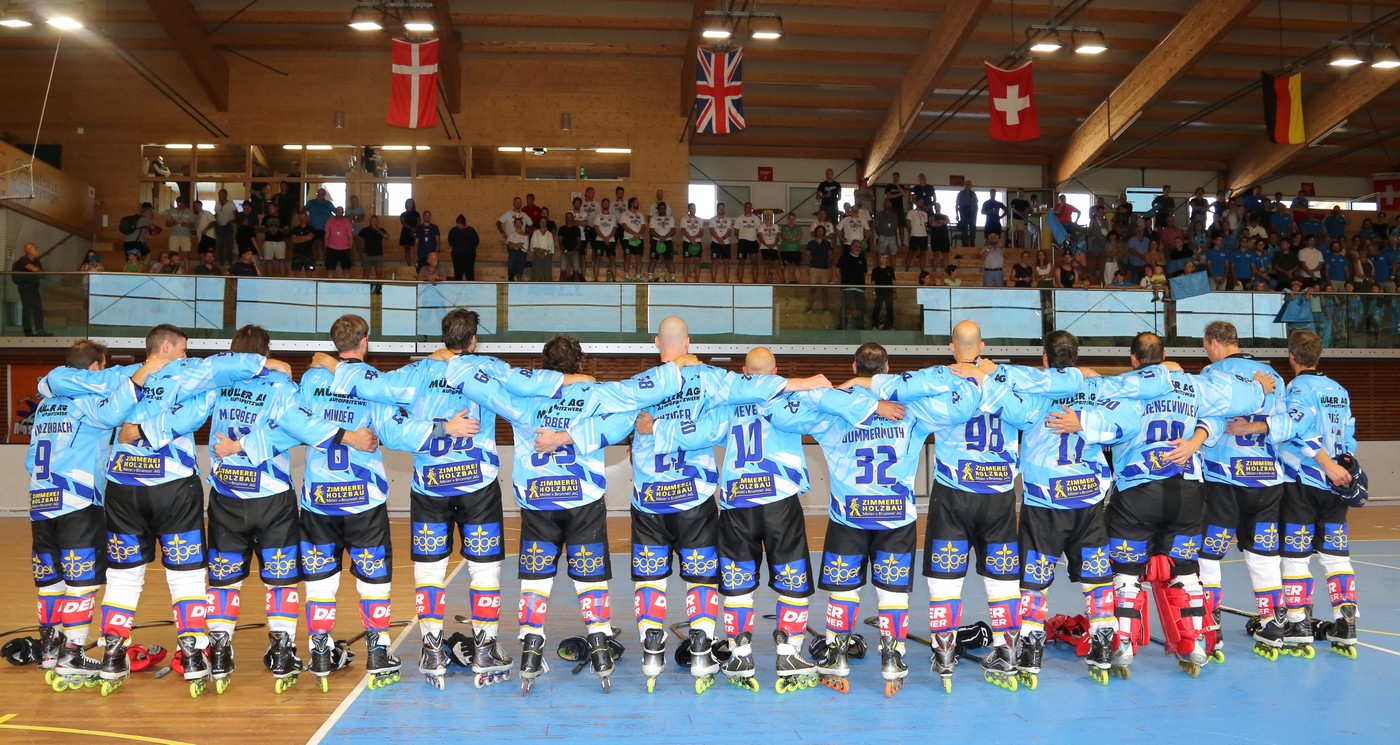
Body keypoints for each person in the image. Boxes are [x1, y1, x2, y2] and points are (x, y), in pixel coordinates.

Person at [538, 318, 831, 693]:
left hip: (656, 502)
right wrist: (807, 384)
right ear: (689, 342)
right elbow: (731, 411)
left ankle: (657, 649)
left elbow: (608, 423)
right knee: (707, 578)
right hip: (705, 500)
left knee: (660, 579)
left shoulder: (643, 385)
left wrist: (562, 437)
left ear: (657, 343)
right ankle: (711, 649)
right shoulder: (712, 380)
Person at [310, 309, 578, 689]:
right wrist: (579, 380)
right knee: (484, 569)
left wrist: (329, 363)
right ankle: (485, 648)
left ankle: (432, 649)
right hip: (478, 486)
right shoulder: (488, 368)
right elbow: (530, 384)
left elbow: (377, 394)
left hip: (429, 488)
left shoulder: (418, 372)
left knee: (430, 571)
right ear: (474, 340)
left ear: (443, 336)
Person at [38, 325, 281, 696]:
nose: (186, 354)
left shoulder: (119, 375)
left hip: (123, 488)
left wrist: (133, 414)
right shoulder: (189, 371)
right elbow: (237, 369)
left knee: (123, 577)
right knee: (186, 576)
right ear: (167, 346)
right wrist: (270, 366)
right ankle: (194, 656)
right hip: (172, 487)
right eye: (182, 348)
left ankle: (113, 655)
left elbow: (53, 381)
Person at [147, 325, 375, 694]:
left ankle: (219, 652)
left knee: (224, 579)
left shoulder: (217, 384)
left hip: (227, 497)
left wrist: (141, 430)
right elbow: (300, 428)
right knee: (280, 579)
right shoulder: (280, 385)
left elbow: (183, 415)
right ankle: (282, 652)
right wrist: (252, 444)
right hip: (272, 499)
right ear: (265, 353)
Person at [223, 315, 440, 693]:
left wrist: (244, 447)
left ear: (334, 342)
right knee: (374, 578)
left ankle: (320, 650)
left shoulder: (311, 380)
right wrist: (441, 431)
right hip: (364, 500)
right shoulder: (371, 382)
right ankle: (378, 651)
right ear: (365, 341)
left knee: (321, 578)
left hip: (319, 502)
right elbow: (395, 433)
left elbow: (290, 424)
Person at [645, 346, 881, 694]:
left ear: (744, 372)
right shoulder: (789, 399)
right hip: (779, 502)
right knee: (792, 580)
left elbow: (696, 433)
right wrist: (872, 404)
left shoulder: (727, 405)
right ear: (775, 371)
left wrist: (656, 426)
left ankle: (740, 654)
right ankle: (789, 653)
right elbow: (831, 407)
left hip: (736, 504)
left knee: (738, 583)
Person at [484, 334, 704, 694]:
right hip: (583, 501)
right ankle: (600, 648)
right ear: (580, 363)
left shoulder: (523, 398)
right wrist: (678, 365)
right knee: (591, 580)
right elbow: (625, 418)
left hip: (538, 503)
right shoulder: (597, 394)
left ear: (544, 365)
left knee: (536, 581)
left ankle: (530, 650)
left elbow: (481, 385)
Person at [1047, 332, 1274, 679]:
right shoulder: (1193, 386)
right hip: (1188, 493)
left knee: (1126, 572)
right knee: (1186, 572)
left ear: (1133, 359)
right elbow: (1228, 407)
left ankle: (1122, 647)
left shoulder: (1129, 385)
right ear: (1165, 355)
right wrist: (1257, 389)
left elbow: (1105, 412)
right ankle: (1195, 644)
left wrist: (1085, 395)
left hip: (1139, 493)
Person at [870, 323, 1083, 691]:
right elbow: (1038, 409)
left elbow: (887, 391)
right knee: (1002, 578)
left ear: (952, 347)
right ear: (982, 346)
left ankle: (944, 654)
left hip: (954, 494)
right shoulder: (1011, 380)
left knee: (945, 577)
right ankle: (1007, 651)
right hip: (999, 497)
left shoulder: (938, 379)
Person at [778, 343, 983, 694]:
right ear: (888, 369)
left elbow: (783, 412)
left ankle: (837, 655)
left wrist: (841, 391)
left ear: (853, 366)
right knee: (892, 593)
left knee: (844, 591)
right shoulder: (911, 408)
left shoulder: (834, 409)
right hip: (896, 519)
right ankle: (893, 657)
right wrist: (972, 376)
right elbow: (961, 406)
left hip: (849, 517)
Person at [980, 331, 1172, 686]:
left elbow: (1001, 403)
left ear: (1044, 358)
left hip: (1046, 502)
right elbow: (1129, 424)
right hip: (1087, 500)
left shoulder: (1037, 394)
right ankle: (1103, 646)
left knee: (1035, 579)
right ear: (1077, 356)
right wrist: (1086, 421)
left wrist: (984, 373)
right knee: (1096, 576)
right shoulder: (1096, 390)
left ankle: (1030, 651)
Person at [26, 342, 163, 690]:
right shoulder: (85, 402)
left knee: (50, 580)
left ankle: (50, 648)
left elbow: (30, 460)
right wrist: (146, 371)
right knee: (82, 581)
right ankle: (73, 653)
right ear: (95, 368)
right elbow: (116, 411)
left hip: (41, 502)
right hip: (78, 501)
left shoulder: (45, 406)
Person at [1228, 330, 1359, 660]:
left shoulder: (1298, 389)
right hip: (1335, 486)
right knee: (1336, 556)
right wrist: (1340, 467)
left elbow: (1297, 428)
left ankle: (1298, 623)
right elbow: (1349, 436)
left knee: (1295, 556)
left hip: (1303, 481)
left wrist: (1253, 427)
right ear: (1319, 354)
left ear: (1291, 356)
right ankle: (1347, 624)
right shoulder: (1339, 390)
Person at [1186, 321, 1292, 661]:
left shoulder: (1213, 373)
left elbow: (1209, 418)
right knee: (1264, 555)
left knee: (1209, 554)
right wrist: (1258, 426)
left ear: (1214, 342)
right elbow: (1287, 424)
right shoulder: (1273, 376)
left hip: (1225, 478)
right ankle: (1273, 623)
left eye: (1206, 345)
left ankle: (1210, 624)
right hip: (1267, 480)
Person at [12, 242, 50, 337]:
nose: (37, 250)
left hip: (34, 288)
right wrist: (37, 269)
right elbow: (34, 270)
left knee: (38, 308)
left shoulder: (36, 261)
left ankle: (40, 330)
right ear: (29, 251)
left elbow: (42, 272)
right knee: (27, 309)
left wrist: (37, 269)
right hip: (25, 288)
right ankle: (28, 331)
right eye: (35, 248)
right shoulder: (23, 260)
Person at [837, 240, 867, 330]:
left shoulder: (862, 258)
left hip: (860, 288)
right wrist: (843, 282)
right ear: (852, 246)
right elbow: (837, 270)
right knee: (845, 308)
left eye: (860, 247)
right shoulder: (845, 257)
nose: (858, 248)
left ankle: (860, 327)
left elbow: (864, 273)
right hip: (847, 287)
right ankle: (842, 327)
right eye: (856, 246)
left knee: (860, 308)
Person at [806, 226, 833, 313]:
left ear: (824, 232)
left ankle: (826, 309)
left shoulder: (827, 243)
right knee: (812, 289)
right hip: (814, 268)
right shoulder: (811, 243)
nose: (820, 232)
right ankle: (809, 308)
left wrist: (827, 263)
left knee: (825, 290)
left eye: (822, 231)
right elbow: (807, 255)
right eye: (819, 231)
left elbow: (830, 255)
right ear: (815, 232)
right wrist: (810, 265)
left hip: (824, 269)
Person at [324, 206, 355, 279]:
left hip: (345, 249)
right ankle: (329, 284)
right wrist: (327, 247)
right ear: (335, 212)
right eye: (338, 212)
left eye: (341, 212)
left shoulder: (347, 222)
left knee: (346, 270)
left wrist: (349, 248)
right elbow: (326, 236)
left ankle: (346, 285)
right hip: (332, 248)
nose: (339, 214)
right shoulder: (330, 221)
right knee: (330, 270)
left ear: (343, 213)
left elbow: (350, 237)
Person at [649, 202, 676, 283]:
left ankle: (673, 278)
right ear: (657, 209)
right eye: (660, 208)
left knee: (669, 260)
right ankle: (650, 277)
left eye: (664, 208)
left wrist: (665, 237)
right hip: (656, 241)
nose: (662, 210)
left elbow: (673, 230)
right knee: (653, 259)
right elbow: (651, 230)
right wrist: (660, 237)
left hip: (667, 241)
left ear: (666, 209)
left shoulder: (671, 218)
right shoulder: (653, 218)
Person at [359, 215, 390, 287]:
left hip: (378, 255)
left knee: (379, 275)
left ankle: (379, 290)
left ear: (378, 222)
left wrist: (377, 230)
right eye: (372, 221)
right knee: (365, 276)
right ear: (370, 222)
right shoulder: (365, 230)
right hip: (367, 256)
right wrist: (361, 252)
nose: (374, 222)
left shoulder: (381, 230)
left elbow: (387, 237)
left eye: (375, 221)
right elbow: (357, 240)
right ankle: (364, 290)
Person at [593, 197, 618, 282]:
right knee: (597, 259)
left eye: (607, 203)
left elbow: (614, 228)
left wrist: (608, 237)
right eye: (604, 203)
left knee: (612, 259)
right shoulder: (598, 216)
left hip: (611, 240)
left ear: (609, 205)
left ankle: (614, 279)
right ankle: (596, 279)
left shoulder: (613, 216)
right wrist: (604, 238)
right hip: (600, 240)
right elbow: (596, 228)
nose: (606, 204)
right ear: (601, 204)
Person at [621, 198, 647, 282]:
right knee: (627, 257)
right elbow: (624, 226)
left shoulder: (640, 215)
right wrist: (634, 233)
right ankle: (626, 276)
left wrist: (638, 234)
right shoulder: (625, 214)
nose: (638, 203)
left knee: (638, 258)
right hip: (628, 238)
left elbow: (643, 227)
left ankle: (638, 277)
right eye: (636, 202)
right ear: (631, 203)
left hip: (639, 239)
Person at [260, 202, 288, 277]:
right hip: (268, 241)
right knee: (268, 260)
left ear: (276, 208)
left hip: (280, 241)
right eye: (269, 209)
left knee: (281, 260)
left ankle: (282, 277)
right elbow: (262, 229)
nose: (270, 210)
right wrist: (268, 229)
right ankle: (269, 276)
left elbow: (287, 230)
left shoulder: (282, 217)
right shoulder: (266, 217)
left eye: (272, 208)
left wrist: (278, 229)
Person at [709, 202, 735, 284]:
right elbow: (712, 231)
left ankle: (727, 281)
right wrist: (718, 239)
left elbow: (729, 232)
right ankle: (713, 281)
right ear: (717, 209)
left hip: (725, 243)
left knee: (726, 262)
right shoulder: (712, 219)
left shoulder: (728, 220)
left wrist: (722, 239)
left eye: (723, 208)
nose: (721, 210)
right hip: (715, 243)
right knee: (714, 262)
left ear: (724, 209)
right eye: (720, 208)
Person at [679, 203, 705, 283]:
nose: (694, 209)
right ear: (689, 209)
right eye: (692, 208)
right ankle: (686, 280)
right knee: (686, 261)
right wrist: (691, 239)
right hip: (687, 242)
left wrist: (694, 238)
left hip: (697, 242)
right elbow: (683, 230)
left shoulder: (700, 220)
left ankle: (697, 280)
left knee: (697, 261)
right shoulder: (684, 219)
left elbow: (701, 232)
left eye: (695, 208)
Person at [736, 202, 762, 284]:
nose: (748, 209)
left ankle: (755, 281)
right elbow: (736, 231)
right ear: (744, 208)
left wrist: (754, 237)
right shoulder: (739, 218)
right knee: (741, 262)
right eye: (746, 207)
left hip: (753, 242)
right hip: (742, 242)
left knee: (754, 263)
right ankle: (740, 281)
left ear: (751, 208)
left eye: (749, 207)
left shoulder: (756, 219)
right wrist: (741, 238)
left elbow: (759, 231)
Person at [870, 253, 896, 330]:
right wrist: (874, 292)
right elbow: (873, 282)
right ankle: (874, 325)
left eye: (886, 258)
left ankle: (891, 326)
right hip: (879, 292)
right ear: (880, 260)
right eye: (883, 258)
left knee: (890, 309)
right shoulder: (875, 270)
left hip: (889, 292)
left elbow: (893, 281)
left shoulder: (890, 269)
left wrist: (895, 292)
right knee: (877, 308)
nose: (885, 260)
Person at [527, 217, 555, 282]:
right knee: (536, 272)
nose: (543, 223)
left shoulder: (549, 234)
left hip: (546, 254)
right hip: (537, 253)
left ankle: (547, 286)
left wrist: (544, 254)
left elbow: (550, 246)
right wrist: (538, 253)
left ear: (546, 223)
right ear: (539, 223)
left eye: (544, 222)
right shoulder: (535, 233)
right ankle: (535, 286)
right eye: (541, 222)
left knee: (547, 273)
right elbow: (534, 244)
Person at [558, 212, 584, 282]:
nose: (569, 218)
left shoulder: (577, 229)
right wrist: (565, 251)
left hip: (574, 252)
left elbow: (579, 241)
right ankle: (560, 288)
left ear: (573, 218)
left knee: (576, 272)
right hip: (564, 252)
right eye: (567, 217)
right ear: (565, 218)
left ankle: (577, 288)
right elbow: (560, 242)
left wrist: (573, 251)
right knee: (563, 272)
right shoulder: (561, 229)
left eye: (570, 217)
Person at [289, 211, 316, 277]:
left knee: (309, 274)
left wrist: (298, 237)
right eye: (301, 217)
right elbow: (294, 240)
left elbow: (310, 238)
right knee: (296, 274)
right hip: (297, 253)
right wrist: (305, 238)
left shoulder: (311, 228)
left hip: (308, 254)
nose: (302, 219)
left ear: (307, 218)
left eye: (304, 217)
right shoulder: (295, 229)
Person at [780, 212, 804, 284]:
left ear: (795, 219)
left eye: (793, 219)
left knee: (796, 266)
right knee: (786, 266)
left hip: (796, 250)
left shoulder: (798, 227)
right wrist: (791, 238)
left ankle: (798, 282)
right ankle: (786, 282)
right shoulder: (783, 227)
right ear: (787, 219)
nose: (791, 220)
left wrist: (794, 239)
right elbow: (783, 236)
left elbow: (799, 236)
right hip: (785, 250)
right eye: (790, 219)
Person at [758, 211, 781, 284]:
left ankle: (783, 281)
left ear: (772, 218)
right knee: (767, 263)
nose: (768, 218)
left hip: (773, 247)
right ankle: (768, 281)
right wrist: (766, 245)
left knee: (777, 263)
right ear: (764, 218)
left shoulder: (776, 226)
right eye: (766, 217)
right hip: (764, 248)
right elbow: (760, 237)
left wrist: (774, 244)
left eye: (769, 217)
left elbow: (777, 237)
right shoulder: (761, 226)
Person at [399, 198, 421, 267]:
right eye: (408, 202)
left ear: (413, 204)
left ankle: (417, 263)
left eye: (411, 203)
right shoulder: (403, 214)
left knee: (417, 247)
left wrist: (415, 229)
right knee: (407, 248)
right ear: (406, 204)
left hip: (415, 231)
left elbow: (418, 222)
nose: (409, 204)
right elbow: (403, 223)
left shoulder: (416, 213)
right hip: (406, 232)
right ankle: (409, 264)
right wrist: (411, 228)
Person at [506, 217, 528, 282]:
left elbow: (525, 247)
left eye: (519, 223)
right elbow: (509, 245)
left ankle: (520, 287)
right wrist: (519, 244)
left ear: (522, 224)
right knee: (511, 273)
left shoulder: (525, 235)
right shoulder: (511, 234)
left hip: (521, 255)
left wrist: (513, 244)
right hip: (513, 254)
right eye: (516, 223)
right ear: (514, 224)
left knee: (519, 273)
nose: (518, 224)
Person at [956, 182, 978, 247]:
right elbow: (957, 205)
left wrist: (976, 214)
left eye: (969, 184)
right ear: (964, 185)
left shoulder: (973, 194)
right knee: (964, 231)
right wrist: (957, 215)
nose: (968, 186)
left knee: (973, 230)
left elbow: (976, 205)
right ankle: (964, 246)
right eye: (966, 184)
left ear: (971, 185)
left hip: (972, 214)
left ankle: (972, 245)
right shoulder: (960, 194)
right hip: (963, 214)